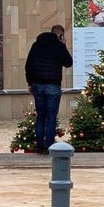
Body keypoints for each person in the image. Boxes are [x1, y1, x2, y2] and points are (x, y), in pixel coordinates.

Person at [25, 24, 73, 154]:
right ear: (61, 35)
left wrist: (30, 83)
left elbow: (28, 65)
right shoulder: (59, 46)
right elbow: (68, 63)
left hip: (38, 85)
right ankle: (49, 147)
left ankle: (39, 147)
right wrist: (63, 45)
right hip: (53, 85)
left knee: (40, 117)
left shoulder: (36, 45)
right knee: (51, 118)